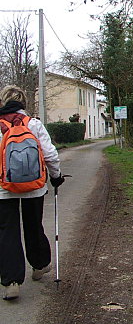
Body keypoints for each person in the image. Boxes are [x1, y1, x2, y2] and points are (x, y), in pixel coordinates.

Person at [0, 85, 64, 301]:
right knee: (33, 224)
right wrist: (56, 176)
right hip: (34, 187)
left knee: (7, 232)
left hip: (4, 189)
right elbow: (50, 154)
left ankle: (11, 282)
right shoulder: (34, 124)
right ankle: (39, 265)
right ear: (23, 103)